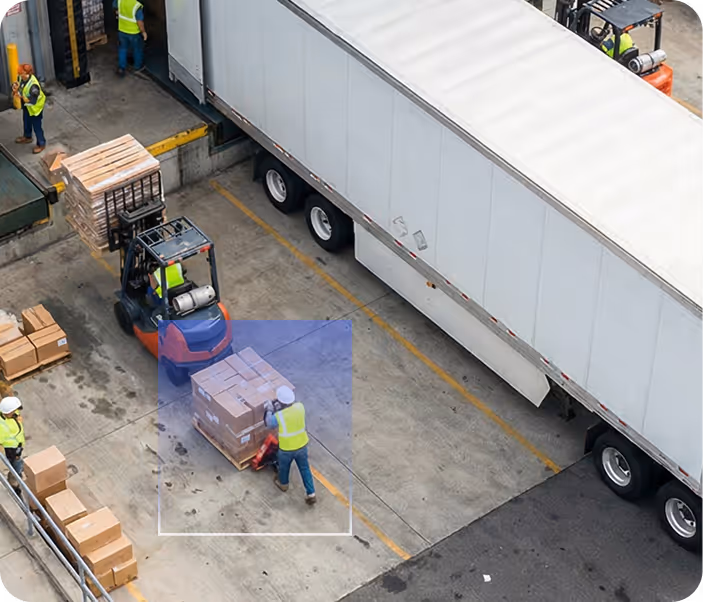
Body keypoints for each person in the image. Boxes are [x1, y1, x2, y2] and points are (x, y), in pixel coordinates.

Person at [264, 386, 316, 505]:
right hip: (302, 445)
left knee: (284, 468)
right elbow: (291, 414)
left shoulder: (279, 416)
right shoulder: (300, 407)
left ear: (281, 402)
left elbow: (269, 423)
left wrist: (269, 409)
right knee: (305, 469)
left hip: (287, 449)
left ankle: (284, 485)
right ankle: (311, 493)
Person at [13, 64, 46, 154]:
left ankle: (41, 144)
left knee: (37, 127)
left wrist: (20, 96)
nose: (19, 75)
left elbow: (32, 101)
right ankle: (27, 137)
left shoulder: (33, 86)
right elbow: (19, 84)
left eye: (21, 73)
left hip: (35, 108)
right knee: (26, 121)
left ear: (26, 73)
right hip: (27, 106)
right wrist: (15, 86)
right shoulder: (21, 78)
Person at [0, 395, 25, 499]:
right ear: (7, 412)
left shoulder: (13, 414)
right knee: (16, 466)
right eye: (14, 410)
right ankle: (14, 485)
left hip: (17, 446)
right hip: (11, 450)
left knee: (17, 464)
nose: (16, 412)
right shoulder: (1, 425)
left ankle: (15, 477)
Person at [114, 0, 148, 77]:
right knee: (137, 49)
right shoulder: (136, 6)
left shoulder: (120, 1)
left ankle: (121, 68)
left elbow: (116, 10)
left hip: (122, 30)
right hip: (134, 33)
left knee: (122, 49)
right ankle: (137, 67)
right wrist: (143, 32)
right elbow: (140, 22)